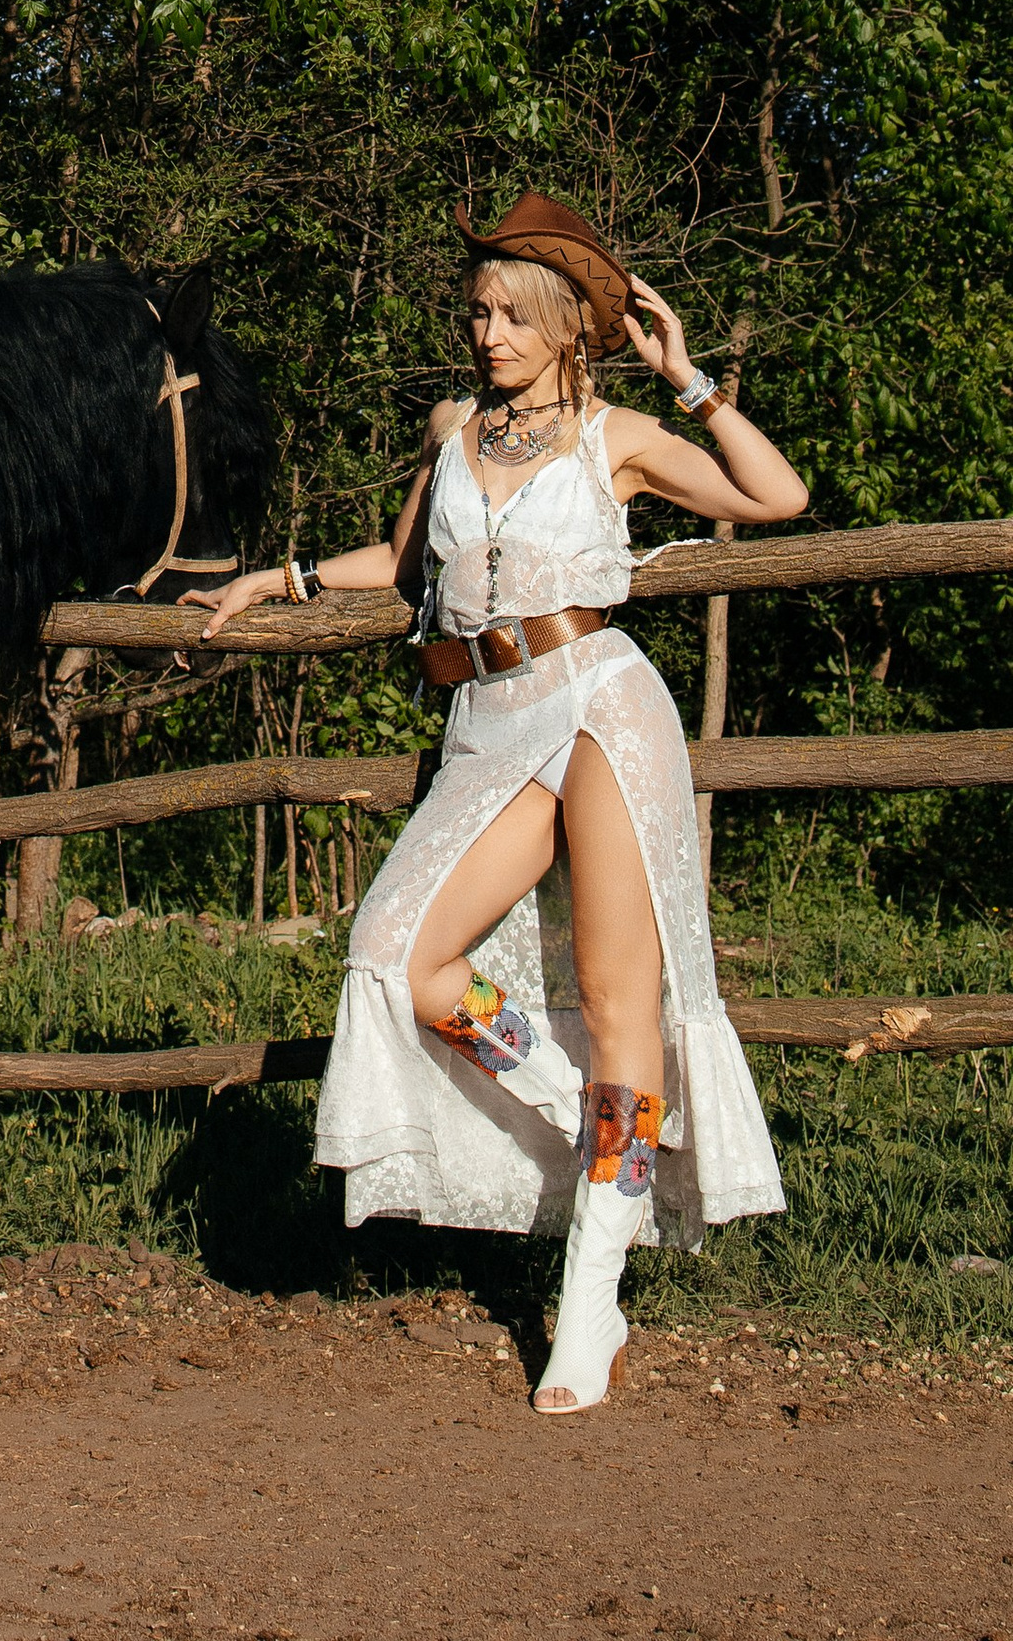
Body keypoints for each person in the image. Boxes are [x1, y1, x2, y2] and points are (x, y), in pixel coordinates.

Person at [190, 192, 809, 1414]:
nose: (483, 335)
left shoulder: (615, 436)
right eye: (474, 314)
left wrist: (689, 379)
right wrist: (284, 578)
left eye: (507, 316)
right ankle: (602, 1131)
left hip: (599, 702)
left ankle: (589, 1297)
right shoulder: (452, 429)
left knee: (620, 994)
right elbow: (407, 560)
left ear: (563, 324)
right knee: (395, 959)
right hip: (484, 720)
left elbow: (774, 499)